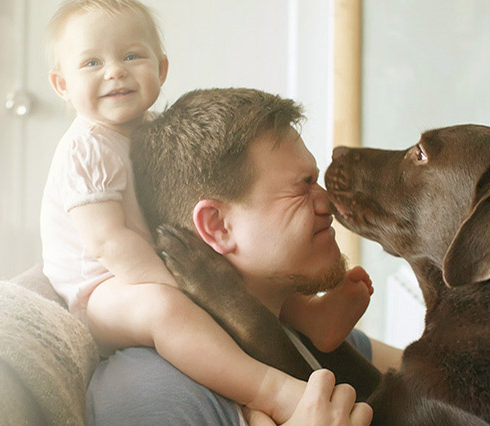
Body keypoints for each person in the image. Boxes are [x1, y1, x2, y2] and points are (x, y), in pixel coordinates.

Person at [40, 0, 374, 425]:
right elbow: (107, 241)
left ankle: (312, 319)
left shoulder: (149, 134)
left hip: (149, 267)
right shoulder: (86, 148)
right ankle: (268, 391)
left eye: (131, 57)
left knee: (240, 285)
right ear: (62, 85)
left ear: (161, 69)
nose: (115, 73)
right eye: (92, 63)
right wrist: (183, 290)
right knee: (168, 311)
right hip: (99, 287)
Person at [86, 88, 403, 425]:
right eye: (303, 186)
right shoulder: (156, 394)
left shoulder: (303, 331)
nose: (328, 204)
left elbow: (449, 398)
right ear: (218, 226)